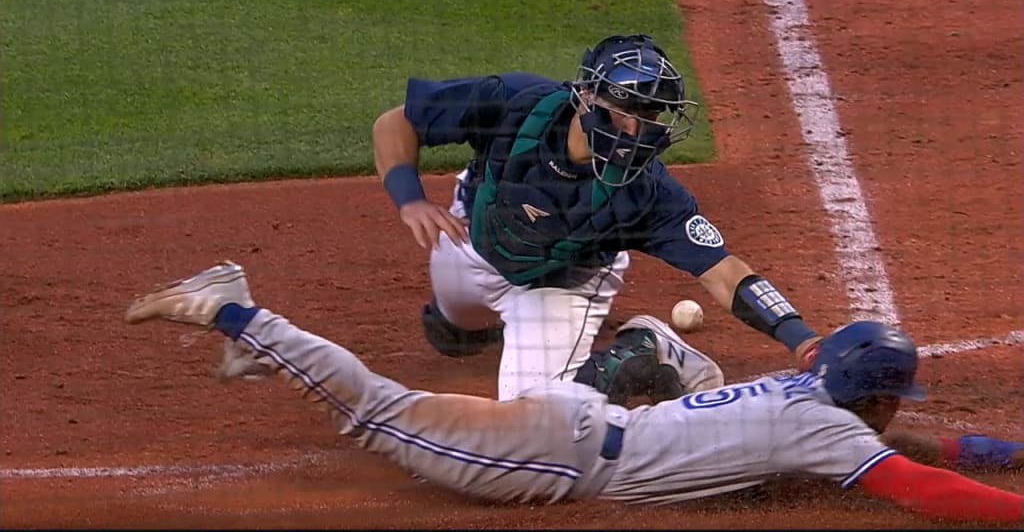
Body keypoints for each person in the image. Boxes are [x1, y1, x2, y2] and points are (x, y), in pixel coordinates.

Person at [124, 261, 1024, 522]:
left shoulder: (804, 398)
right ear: (880, 401)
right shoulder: (835, 440)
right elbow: (921, 485)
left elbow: (918, 454)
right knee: (379, 414)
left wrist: (1014, 456)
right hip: (552, 456)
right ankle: (241, 315)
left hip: (579, 423)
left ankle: (268, 350)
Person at [371, 33, 825, 402]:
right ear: (587, 96)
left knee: (536, 412)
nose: (638, 127)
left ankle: (645, 348)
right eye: (626, 108)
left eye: (651, 114)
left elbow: (724, 272)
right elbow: (397, 122)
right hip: (471, 238)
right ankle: (510, 331)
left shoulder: (649, 192)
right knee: (452, 335)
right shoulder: (516, 102)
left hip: (564, 281)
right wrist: (410, 199)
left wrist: (803, 340)